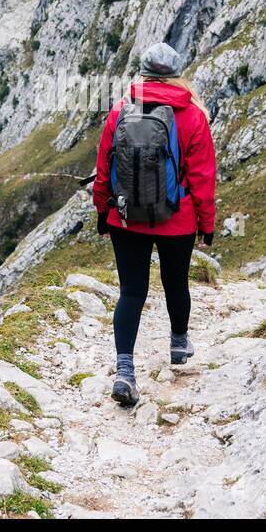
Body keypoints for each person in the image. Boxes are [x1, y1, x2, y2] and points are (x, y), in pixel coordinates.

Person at [92, 42, 216, 407]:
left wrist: (103, 211)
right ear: (178, 76)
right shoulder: (193, 116)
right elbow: (202, 178)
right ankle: (178, 346)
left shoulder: (120, 110)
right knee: (175, 282)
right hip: (177, 219)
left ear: (142, 74)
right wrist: (206, 225)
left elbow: (104, 169)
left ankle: (125, 371)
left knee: (131, 292)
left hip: (125, 217)